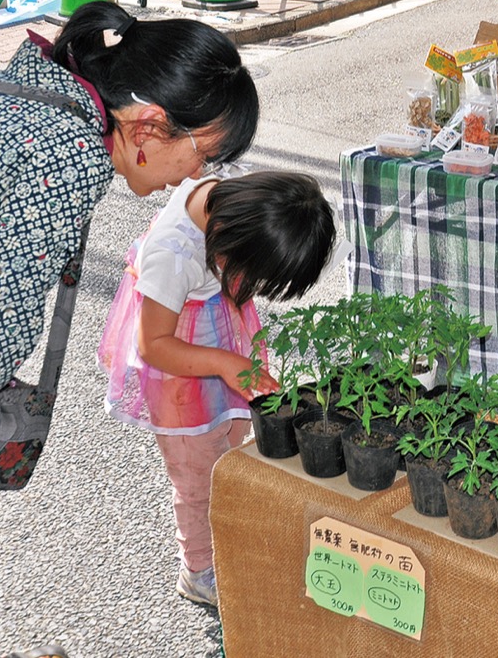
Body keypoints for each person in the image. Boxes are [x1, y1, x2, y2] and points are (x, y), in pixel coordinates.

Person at [0, 0, 258, 657]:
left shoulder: (32, 98)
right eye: (204, 153)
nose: (198, 175)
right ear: (150, 125)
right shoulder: (68, 152)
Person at [96, 170, 335, 606]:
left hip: (215, 334)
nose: (256, 287)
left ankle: (225, 534)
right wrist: (224, 363)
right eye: (257, 275)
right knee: (196, 475)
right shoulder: (173, 255)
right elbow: (152, 344)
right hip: (177, 363)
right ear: (232, 242)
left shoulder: (232, 204)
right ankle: (199, 569)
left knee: (227, 445)